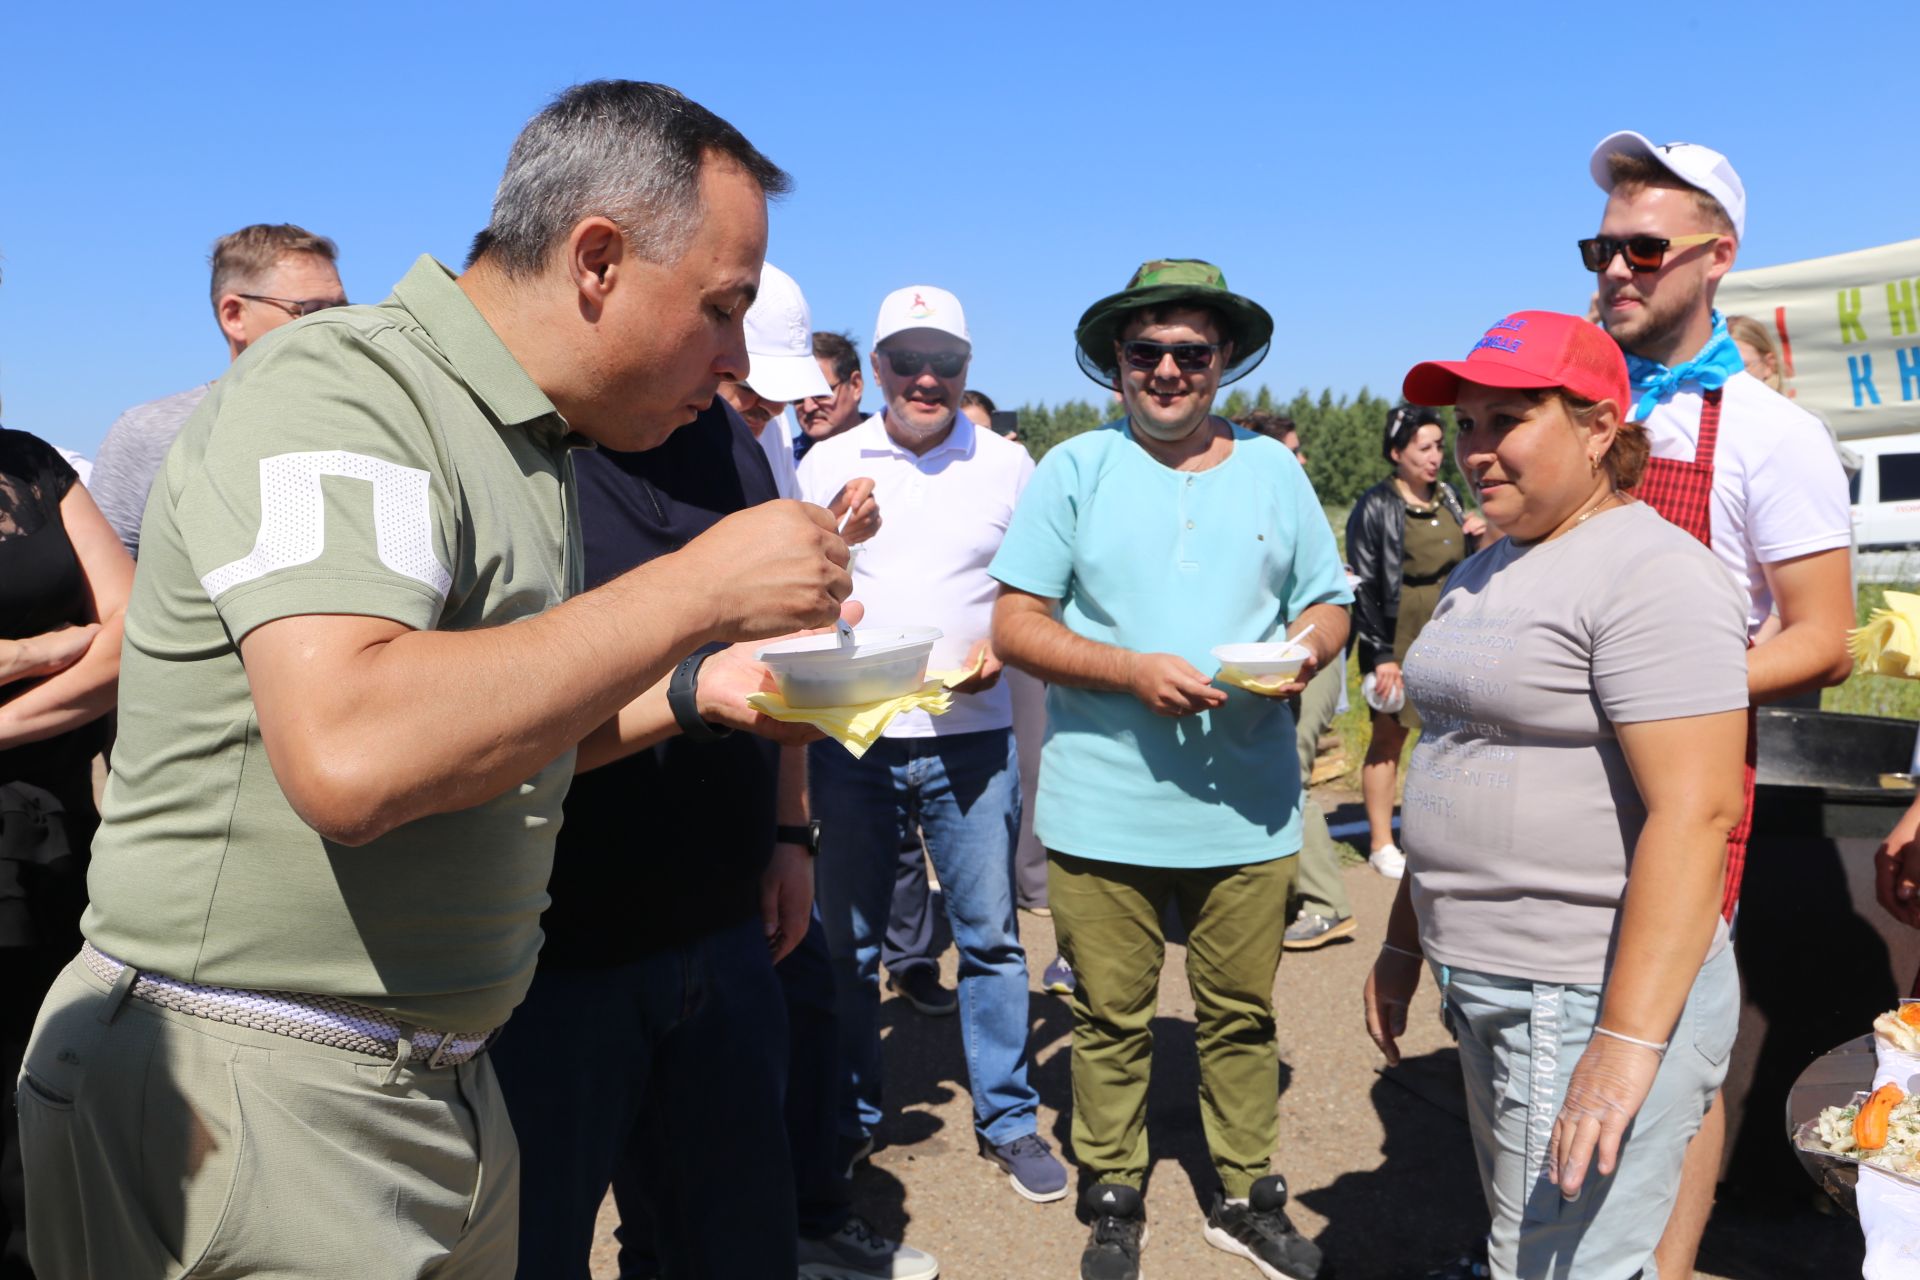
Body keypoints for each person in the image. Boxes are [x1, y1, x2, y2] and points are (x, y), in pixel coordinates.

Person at [16, 80, 856, 1280]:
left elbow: (491, 733)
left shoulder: (517, 434)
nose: (733, 358)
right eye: (722, 308)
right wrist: (694, 591)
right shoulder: (345, 387)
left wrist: (681, 692)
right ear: (599, 259)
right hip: (260, 1084)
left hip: (422, 1080)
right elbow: (356, 753)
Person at [1364, 309, 1750, 1280]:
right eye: (1467, 424)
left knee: (1560, 1268)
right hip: (1492, 980)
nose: (1477, 448)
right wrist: (1406, 940)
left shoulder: (1652, 571)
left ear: (1597, 427)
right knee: (1531, 1247)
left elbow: (1697, 809)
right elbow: (1451, 757)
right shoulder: (1487, 566)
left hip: (1581, 992)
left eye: (1508, 419)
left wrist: (1621, 1047)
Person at [992, 259, 1349, 1280]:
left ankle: (1245, 1192)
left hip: (1248, 802)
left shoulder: (1275, 472)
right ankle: (1114, 1191)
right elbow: (1014, 622)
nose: (1167, 369)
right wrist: (1125, 669)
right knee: (1109, 1016)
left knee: (1242, 1012)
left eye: (1191, 352)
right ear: (1117, 360)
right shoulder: (1075, 468)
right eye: (1145, 351)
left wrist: (1306, 654)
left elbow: (1328, 599)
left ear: (1222, 360)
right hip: (1102, 802)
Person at [1585, 132, 1855, 1278]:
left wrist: (1661, 689)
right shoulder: (1580, 412)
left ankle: (1666, 1263)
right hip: (1564, 776)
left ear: (1718, 257)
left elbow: (1825, 640)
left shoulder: (1772, 434)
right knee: (1566, 1027)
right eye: (1602, 246)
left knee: (1676, 1044)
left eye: (1645, 246)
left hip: (1687, 786)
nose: (1616, 269)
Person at [797, 284, 1067, 1205]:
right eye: (906, 361)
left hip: (973, 737)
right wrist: (835, 534)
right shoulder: (826, 460)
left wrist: (1006, 641)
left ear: (966, 371)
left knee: (990, 939)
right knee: (850, 947)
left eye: (943, 363)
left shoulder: (1007, 464)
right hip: (856, 739)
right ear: (875, 370)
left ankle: (1008, 1117)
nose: (925, 378)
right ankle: (850, 1122)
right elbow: (791, 598)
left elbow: (1037, 590)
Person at [0, 427, 133, 1280]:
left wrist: (15, 669)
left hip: (47, 841)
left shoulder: (31, 464)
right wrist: (55, 643)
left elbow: (138, 630)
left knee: (34, 1122)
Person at [88, 224, 345, 558]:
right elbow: (110, 582)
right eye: (309, 310)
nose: (337, 327)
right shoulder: (150, 432)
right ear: (234, 315)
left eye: (341, 310)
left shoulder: (367, 422)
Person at [1345, 406, 1484, 879]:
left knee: (1454, 735)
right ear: (1396, 453)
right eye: (1424, 447)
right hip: (1397, 632)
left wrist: (1479, 537)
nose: (1436, 457)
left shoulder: (1448, 496)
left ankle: (1441, 834)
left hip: (1448, 630)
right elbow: (1362, 582)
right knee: (1389, 737)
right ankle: (1383, 842)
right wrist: (1381, 655)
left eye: (1439, 446)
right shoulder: (1376, 505)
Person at [1238, 411, 1357, 950]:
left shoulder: (1290, 508)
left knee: (1292, 775)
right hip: (1266, 664)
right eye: (1292, 449)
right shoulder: (1246, 506)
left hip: (1305, 661)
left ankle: (1325, 905)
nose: (1302, 460)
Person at [795, 329, 867, 462]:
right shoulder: (779, 460)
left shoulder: (899, 451)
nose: (808, 407)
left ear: (856, 386)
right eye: (798, 396)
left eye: (821, 393)